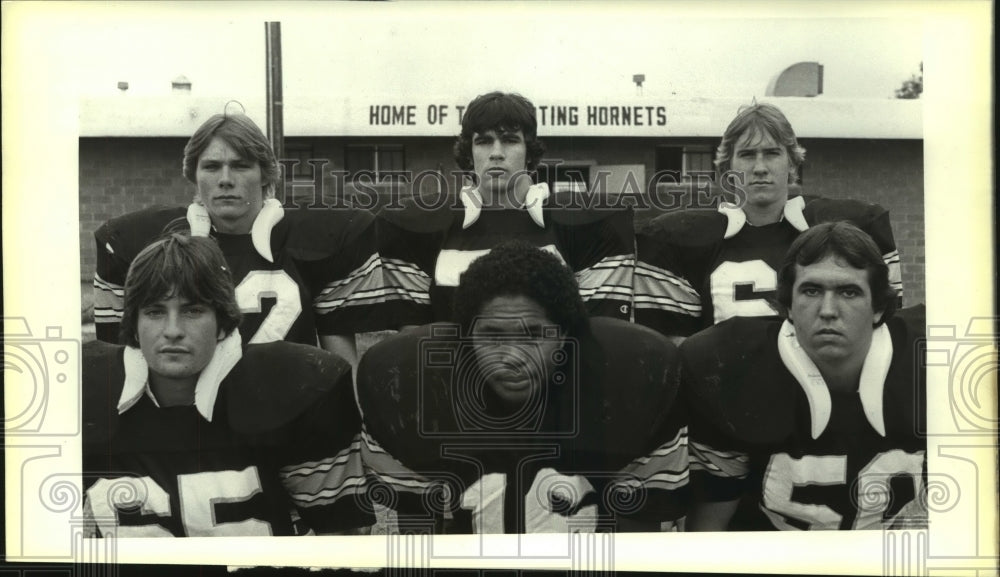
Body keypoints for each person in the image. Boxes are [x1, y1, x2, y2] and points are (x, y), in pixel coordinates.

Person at [357, 242, 687, 533]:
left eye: (533, 334)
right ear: (466, 339)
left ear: (565, 337)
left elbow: (638, 541)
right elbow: (418, 544)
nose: (512, 358)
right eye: (492, 335)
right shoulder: (412, 391)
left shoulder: (632, 383)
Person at [82, 234, 371, 537]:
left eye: (193, 311)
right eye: (154, 312)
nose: (172, 331)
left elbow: (343, 537)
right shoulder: (85, 390)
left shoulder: (285, 389)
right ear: (134, 324)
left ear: (222, 321)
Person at [682, 222, 926, 531]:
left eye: (848, 292)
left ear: (878, 308)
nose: (828, 310)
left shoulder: (929, 358)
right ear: (788, 305)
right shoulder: (730, 365)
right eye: (811, 290)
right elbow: (708, 531)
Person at [92, 110, 382, 363]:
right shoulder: (143, 243)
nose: (226, 179)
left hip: (291, 414)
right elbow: (121, 364)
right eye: (211, 166)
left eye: (241, 165)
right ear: (193, 175)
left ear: (266, 175)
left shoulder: (318, 239)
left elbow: (341, 368)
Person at [634, 102, 903, 338]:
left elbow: (879, 335)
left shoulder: (850, 227)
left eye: (772, 153)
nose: (760, 167)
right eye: (748, 155)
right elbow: (675, 348)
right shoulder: (685, 240)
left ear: (793, 163)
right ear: (728, 167)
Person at [374, 91, 635, 326]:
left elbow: (598, 337)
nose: (496, 153)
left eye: (510, 140)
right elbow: (413, 341)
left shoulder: (577, 223)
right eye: (484, 141)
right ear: (469, 152)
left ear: (529, 152)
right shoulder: (429, 227)